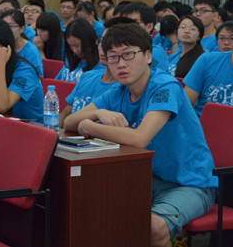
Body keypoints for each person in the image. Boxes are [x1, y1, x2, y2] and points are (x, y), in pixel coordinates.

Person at [64, 23, 217, 247]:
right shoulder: (118, 91)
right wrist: (96, 113)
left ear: (148, 56)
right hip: (144, 178)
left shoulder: (165, 87)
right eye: (113, 57)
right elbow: (69, 121)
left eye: (128, 54)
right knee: (92, 204)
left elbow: (140, 139)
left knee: (153, 227)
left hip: (190, 184)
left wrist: (90, 126)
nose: (121, 64)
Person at [119, 1, 170, 73]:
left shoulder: (155, 52)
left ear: (149, 26)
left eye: (134, 23)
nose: (128, 27)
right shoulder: (117, 50)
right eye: (125, 23)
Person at [0, 8, 43, 77]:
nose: (6, 30)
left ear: (22, 29)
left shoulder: (31, 52)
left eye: (10, 26)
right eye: (3, 26)